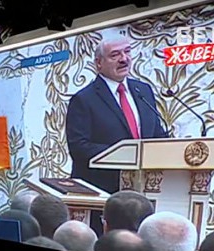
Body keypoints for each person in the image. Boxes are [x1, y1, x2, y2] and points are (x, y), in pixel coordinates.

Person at [66, 37, 167, 194]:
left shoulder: (143, 90)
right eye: (115, 55)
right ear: (99, 63)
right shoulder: (84, 99)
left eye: (127, 52)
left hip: (147, 189)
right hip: (105, 191)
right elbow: (79, 147)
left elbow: (156, 134)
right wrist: (127, 155)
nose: (124, 59)